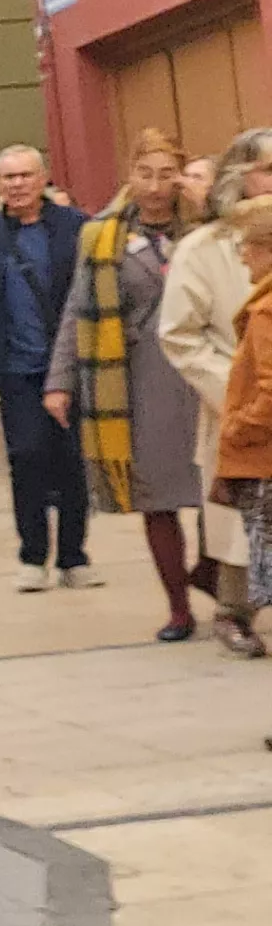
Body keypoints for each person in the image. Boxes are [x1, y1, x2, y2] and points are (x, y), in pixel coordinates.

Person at [50, 130, 211, 641]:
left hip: (208, 377)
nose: (156, 186)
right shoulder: (102, 236)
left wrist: (208, 209)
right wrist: (60, 381)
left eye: (167, 174)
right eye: (146, 174)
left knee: (220, 492)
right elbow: (78, 310)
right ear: (130, 175)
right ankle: (178, 608)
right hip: (140, 382)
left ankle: (214, 574)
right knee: (158, 499)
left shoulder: (208, 229)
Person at [0, 145, 96, 590]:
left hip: (69, 368)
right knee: (28, 457)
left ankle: (73, 555)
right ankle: (32, 555)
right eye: (8, 177)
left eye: (25, 175)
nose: (17, 184)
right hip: (16, 369)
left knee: (72, 461)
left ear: (43, 178)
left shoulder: (76, 228)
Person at [160, 130, 272, 658]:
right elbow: (180, 334)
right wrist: (239, 389)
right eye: (267, 171)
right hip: (240, 400)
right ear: (238, 177)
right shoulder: (203, 248)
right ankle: (234, 609)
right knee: (243, 517)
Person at [209, 194, 272, 658]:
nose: (242, 256)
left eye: (247, 247)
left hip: (263, 460)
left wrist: (238, 429)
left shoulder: (267, 311)